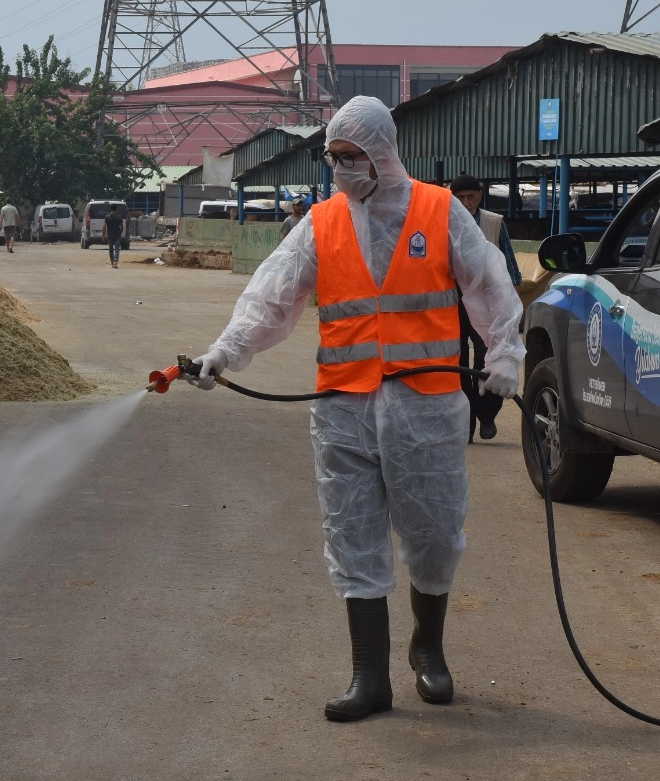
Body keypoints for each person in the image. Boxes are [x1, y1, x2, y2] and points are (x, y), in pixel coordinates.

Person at [187, 96, 525, 722]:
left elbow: (489, 283)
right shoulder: (322, 223)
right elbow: (271, 296)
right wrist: (223, 354)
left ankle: (429, 648)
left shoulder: (438, 209)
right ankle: (369, 675)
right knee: (352, 534)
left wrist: (505, 352)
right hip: (343, 407)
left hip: (424, 406)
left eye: (353, 157)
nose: (342, 169)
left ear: (382, 152)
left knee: (432, 536)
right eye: (334, 158)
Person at [449, 173, 523, 443]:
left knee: (488, 357)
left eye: (470, 196)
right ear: (452, 198)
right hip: (454, 303)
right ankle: (465, 422)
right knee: (456, 362)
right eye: (460, 198)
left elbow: (511, 270)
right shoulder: (445, 223)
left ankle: (487, 414)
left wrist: (510, 311)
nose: (466, 202)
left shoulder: (494, 223)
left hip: (486, 303)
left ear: (480, 195)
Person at [104, 204, 125, 268]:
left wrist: (103, 235)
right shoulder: (119, 217)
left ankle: (112, 263)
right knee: (117, 248)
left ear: (110, 209)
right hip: (117, 235)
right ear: (116, 209)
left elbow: (104, 226)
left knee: (111, 249)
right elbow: (122, 227)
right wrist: (120, 233)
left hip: (110, 235)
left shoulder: (107, 217)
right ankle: (116, 262)